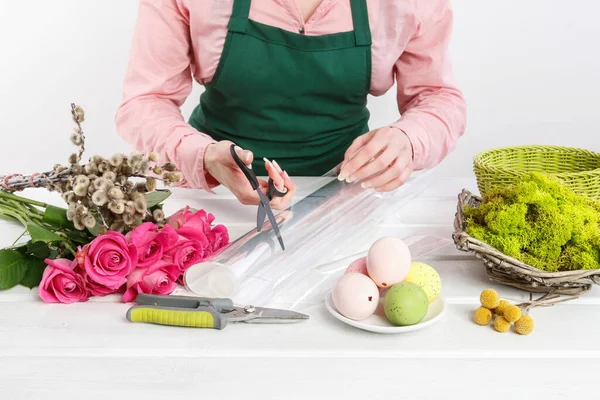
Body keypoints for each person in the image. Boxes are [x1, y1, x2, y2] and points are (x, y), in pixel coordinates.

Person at [116, 0, 466, 210]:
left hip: (343, 198)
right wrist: (203, 156)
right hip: (213, 196)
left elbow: (438, 96)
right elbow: (145, 101)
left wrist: (408, 140)